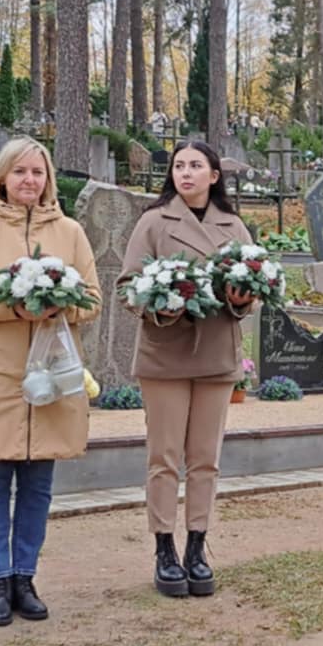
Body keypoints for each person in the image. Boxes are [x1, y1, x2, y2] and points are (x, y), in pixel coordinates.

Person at [0, 139, 100, 628]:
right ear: (3, 179)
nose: (30, 181)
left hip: (51, 372)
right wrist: (10, 306)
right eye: (20, 172)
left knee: (37, 484)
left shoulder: (70, 232)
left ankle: (25, 578)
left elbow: (91, 299)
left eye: (38, 172)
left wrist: (60, 305)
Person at [118, 137, 253, 599]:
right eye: (179, 166)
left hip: (216, 354)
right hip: (166, 354)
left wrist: (241, 301)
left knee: (205, 460)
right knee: (164, 458)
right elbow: (128, 286)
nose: (187, 173)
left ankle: (197, 545)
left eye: (197, 165)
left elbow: (251, 285)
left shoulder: (234, 226)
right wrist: (163, 305)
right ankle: (164, 548)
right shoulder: (153, 222)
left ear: (214, 176)